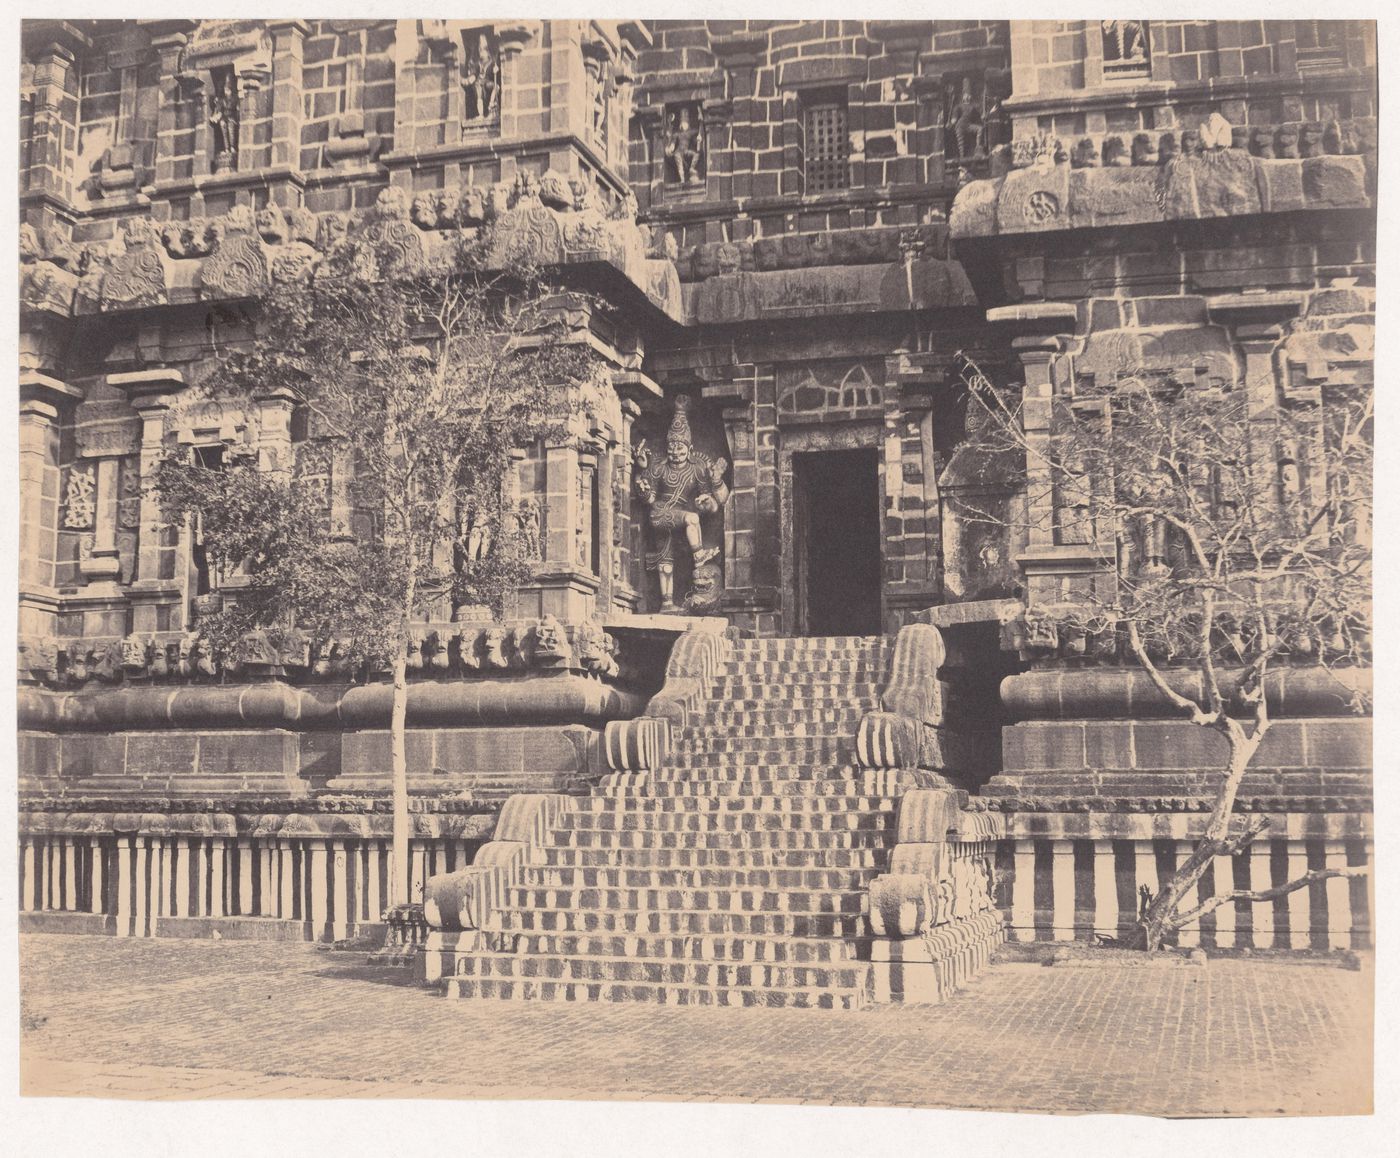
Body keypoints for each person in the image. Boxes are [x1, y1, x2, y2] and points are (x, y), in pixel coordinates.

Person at [634, 396, 728, 611]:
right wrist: (642, 482)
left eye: (681, 449)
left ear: (690, 448)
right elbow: (649, 499)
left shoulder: (697, 468)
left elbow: (713, 504)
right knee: (691, 518)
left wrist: (707, 502)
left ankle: (667, 604)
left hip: (675, 516)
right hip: (660, 513)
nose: (676, 453)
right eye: (672, 449)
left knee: (665, 558)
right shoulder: (659, 468)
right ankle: (699, 555)